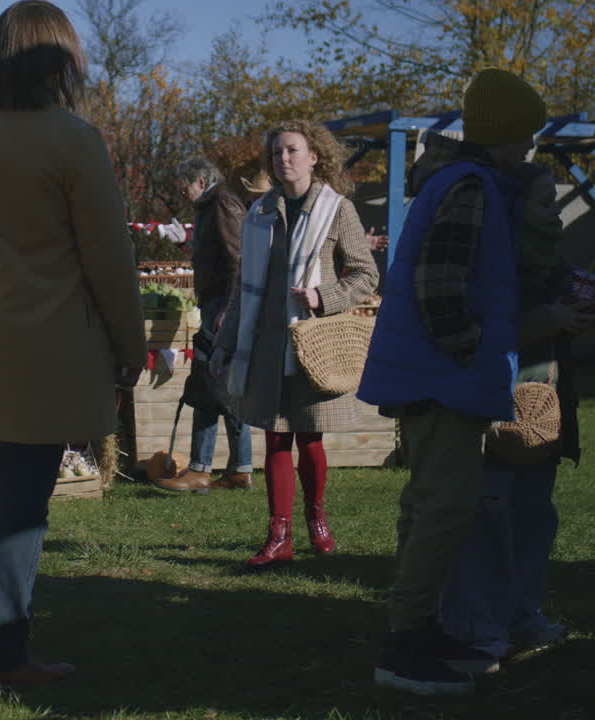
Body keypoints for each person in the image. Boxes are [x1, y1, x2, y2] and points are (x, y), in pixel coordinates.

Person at [0, 0, 146, 690]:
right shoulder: (73, 140)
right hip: (46, 355)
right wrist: (130, 344)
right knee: (18, 514)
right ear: (60, 62)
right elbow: (109, 259)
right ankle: (3, 654)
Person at [357, 67, 551, 695]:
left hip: (432, 372)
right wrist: (467, 348)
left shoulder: (457, 180)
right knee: (446, 507)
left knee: (428, 504)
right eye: (525, 133)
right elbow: (440, 281)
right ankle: (405, 645)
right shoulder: (471, 186)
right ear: (504, 131)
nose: (531, 145)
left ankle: (419, 629)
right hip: (445, 374)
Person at [439, 160, 588, 668]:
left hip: (545, 406)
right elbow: (481, 329)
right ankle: (479, 625)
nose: (557, 213)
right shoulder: (492, 262)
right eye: (546, 203)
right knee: (490, 515)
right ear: (516, 209)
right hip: (497, 406)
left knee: (534, 514)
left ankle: (522, 612)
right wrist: (547, 319)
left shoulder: (554, 264)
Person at [212, 120, 379, 569]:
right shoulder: (259, 212)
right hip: (265, 342)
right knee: (275, 438)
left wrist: (325, 297)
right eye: (276, 152)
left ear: (314, 157)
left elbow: (367, 275)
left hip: (312, 343)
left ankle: (317, 519)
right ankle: (278, 536)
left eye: (292, 150)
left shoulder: (337, 209)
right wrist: (224, 345)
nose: (282, 159)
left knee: (310, 437)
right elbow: (242, 288)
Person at [153, 158, 253, 493]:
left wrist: (229, 307)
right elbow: (216, 253)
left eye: (184, 188)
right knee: (227, 386)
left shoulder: (221, 202)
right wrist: (185, 243)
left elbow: (238, 257)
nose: (182, 195)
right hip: (220, 303)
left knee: (207, 384)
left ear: (199, 180)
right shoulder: (213, 204)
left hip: (221, 305)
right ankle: (240, 469)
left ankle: (200, 467)